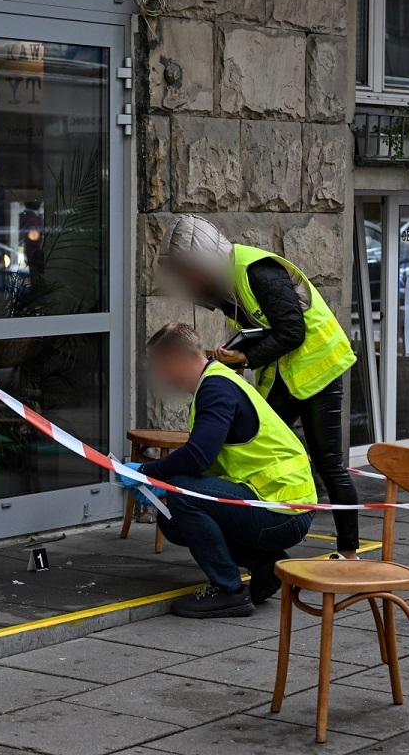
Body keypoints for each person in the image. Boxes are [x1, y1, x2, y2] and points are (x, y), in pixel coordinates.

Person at [157, 214, 362, 559]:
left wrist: (244, 359)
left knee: (329, 464)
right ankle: (261, 538)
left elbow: (292, 331)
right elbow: (264, 330)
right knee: (263, 449)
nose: (187, 280)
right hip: (287, 374)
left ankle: (350, 553)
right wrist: (237, 352)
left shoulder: (257, 271)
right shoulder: (225, 286)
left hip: (319, 369)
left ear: (204, 258)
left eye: (187, 270)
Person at [121, 323, 317, 619]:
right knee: (173, 519)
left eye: (160, 367)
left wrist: (149, 472)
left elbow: (198, 456)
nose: (160, 376)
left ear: (175, 361)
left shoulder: (215, 388)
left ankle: (229, 591)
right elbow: (206, 457)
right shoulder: (216, 382)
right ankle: (265, 565)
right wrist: (160, 481)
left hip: (282, 509)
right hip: (277, 503)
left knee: (183, 496)